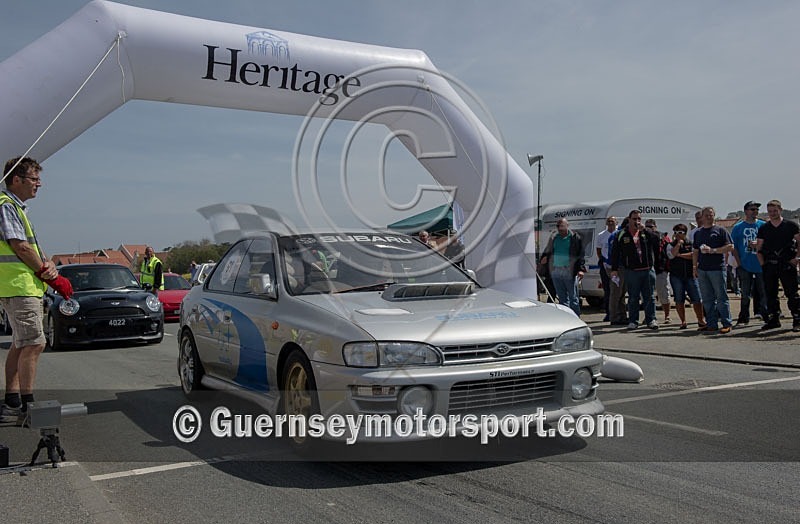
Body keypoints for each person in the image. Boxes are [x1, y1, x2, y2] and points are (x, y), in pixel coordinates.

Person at [0, 157, 72, 425]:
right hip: (19, 286)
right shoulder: (7, 207)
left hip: (18, 285)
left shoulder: (17, 208)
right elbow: (20, 247)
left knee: (21, 344)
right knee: (35, 342)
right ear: (16, 180)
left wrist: (49, 265)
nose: (38, 184)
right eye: (34, 179)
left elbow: (31, 245)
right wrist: (46, 272)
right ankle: (27, 406)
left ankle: (13, 400)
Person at [610, 210, 660, 330]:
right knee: (633, 297)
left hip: (647, 270)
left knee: (649, 297)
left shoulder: (645, 233)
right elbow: (615, 253)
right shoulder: (622, 234)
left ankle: (651, 320)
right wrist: (614, 269)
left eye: (639, 219)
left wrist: (646, 230)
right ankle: (633, 321)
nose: (637, 221)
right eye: (634, 219)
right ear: (629, 219)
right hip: (632, 271)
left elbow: (657, 241)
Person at [756, 199, 800, 331]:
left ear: (780, 210)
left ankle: (797, 319)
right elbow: (759, 247)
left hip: (787, 263)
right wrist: (762, 264)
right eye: (770, 211)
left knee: (792, 293)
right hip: (770, 264)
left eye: (775, 211)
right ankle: (774, 319)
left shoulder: (791, 225)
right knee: (770, 293)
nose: (772, 213)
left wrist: (797, 258)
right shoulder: (764, 228)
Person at [692, 206, 734, 334]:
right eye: (706, 215)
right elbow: (695, 251)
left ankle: (726, 323)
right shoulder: (698, 233)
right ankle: (711, 323)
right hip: (702, 269)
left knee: (721, 297)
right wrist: (694, 267)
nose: (709, 217)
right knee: (707, 298)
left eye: (711, 215)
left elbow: (730, 246)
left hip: (717, 268)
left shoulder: (721, 230)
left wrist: (714, 250)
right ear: (702, 217)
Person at [539, 218, 586, 316]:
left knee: (573, 297)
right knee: (562, 298)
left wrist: (581, 269)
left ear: (567, 226)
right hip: (556, 270)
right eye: (558, 226)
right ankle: (566, 317)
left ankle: (576, 317)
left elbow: (580, 254)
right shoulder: (554, 238)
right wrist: (544, 258)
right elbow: (548, 250)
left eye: (562, 226)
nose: (560, 228)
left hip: (569, 270)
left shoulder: (574, 238)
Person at [667, 223, 705, 329]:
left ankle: (700, 320)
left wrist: (680, 255)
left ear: (685, 233)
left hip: (690, 274)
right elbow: (671, 255)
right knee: (679, 299)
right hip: (676, 275)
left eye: (680, 232)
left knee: (697, 298)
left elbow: (693, 255)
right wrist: (678, 244)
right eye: (675, 232)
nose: (677, 234)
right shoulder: (671, 244)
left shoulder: (691, 243)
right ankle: (683, 321)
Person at [645, 218, 672, 324]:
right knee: (646, 295)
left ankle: (667, 316)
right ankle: (650, 316)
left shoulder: (661, 236)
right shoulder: (642, 237)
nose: (649, 229)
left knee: (663, 293)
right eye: (647, 227)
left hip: (660, 268)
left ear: (655, 226)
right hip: (647, 269)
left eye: (651, 227)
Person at [606, 217, 629, 326]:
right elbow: (613, 253)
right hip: (616, 267)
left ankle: (622, 316)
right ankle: (614, 317)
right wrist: (614, 269)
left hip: (624, 267)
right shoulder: (617, 235)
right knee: (615, 293)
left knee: (622, 293)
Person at [596, 216, 617, 321]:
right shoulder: (601, 235)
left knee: (617, 290)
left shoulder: (619, 233)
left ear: (616, 222)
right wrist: (604, 261)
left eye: (612, 221)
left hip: (617, 267)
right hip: (605, 266)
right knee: (607, 290)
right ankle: (609, 313)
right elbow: (598, 250)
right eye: (609, 221)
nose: (610, 223)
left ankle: (618, 313)